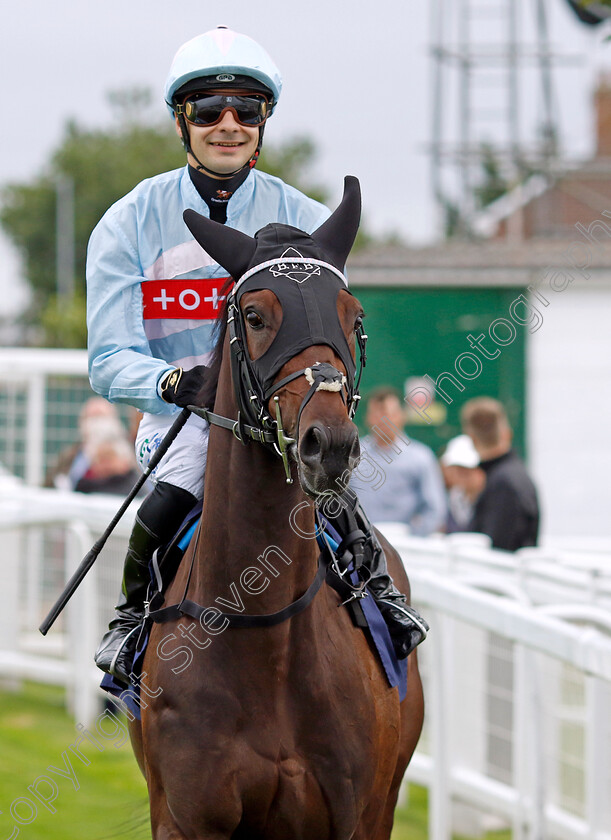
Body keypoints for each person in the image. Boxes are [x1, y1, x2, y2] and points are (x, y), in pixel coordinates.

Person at [87, 26, 424, 684]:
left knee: (337, 499)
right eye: (208, 111)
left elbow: (335, 334)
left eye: (246, 110)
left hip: (284, 416)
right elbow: (107, 358)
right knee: (170, 498)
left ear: (263, 121)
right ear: (181, 122)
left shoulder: (306, 217)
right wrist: (173, 380)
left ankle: (379, 599)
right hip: (188, 420)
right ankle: (132, 623)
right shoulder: (128, 222)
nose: (228, 124)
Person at [351, 387, 447, 536]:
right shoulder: (353, 456)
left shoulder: (421, 457)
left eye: (389, 414)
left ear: (401, 416)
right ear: (368, 418)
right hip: (362, 544)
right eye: (377, 414)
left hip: (407, 547)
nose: (383, 420)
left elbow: (435, 508)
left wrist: (415, 538)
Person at [461, 397, 540, 551]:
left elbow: (498, 548)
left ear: (472, 438)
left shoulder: (503, 483)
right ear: (506, 433)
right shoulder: (512, 475)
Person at [439, 434, 485, 533]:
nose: (462, 475)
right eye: (458, 469)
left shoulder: (493, 498)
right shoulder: (453, 498)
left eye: (466, 470)